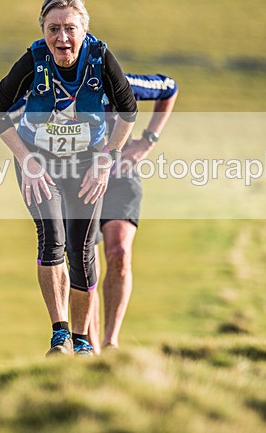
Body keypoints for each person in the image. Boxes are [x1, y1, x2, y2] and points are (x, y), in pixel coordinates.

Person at [0, 0, 136, 357]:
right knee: (51, 238)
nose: (62, 38)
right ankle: (60, 335)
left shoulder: (100, 58)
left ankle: (84, 340)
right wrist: (26, 160)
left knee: (82, 250)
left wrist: (106, 160)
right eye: (53, 28)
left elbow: (128, 110)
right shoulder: (35, 57)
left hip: (87, 165)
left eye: (70, 28)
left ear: (84, 29)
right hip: (40, 165)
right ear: (43, 30)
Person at [86, 73, 179, 354]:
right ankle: (88, 348)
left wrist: (148, 141)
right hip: (76, 179)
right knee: (84, 259)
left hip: (120, 175)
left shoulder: (122, 83)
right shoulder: (60, 84)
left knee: (120, 254)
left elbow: (169, 88)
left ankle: (111, 342)